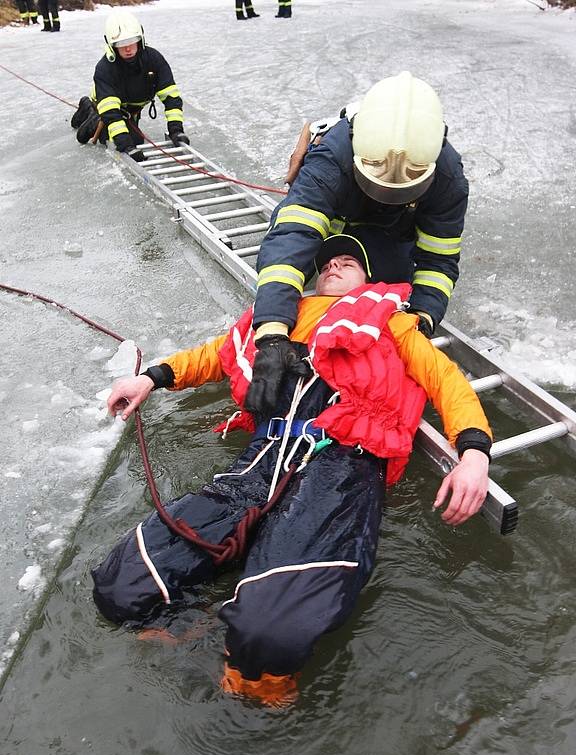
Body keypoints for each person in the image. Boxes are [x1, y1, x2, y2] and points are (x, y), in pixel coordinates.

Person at [92, 233, 491, 705]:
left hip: (342, 467)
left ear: (370, 277)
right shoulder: (278, 321)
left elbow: (446, 381)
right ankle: (201, 623)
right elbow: (213, 355)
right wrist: (149, 377)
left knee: (269, 640)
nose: (334, 267)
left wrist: (474, 453)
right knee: (120, 588)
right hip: (261, 459)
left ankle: (255, 672)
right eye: (328, 263)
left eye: (349, 262)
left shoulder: (392, 322)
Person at [244, 71, 469, 423]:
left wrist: (422, 318)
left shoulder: (447, 177)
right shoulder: (331, 157)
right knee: (304, 280)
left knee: (391, 286)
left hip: (394, 233)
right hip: (336, 229)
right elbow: (293, 235)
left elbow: (438, 259)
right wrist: (272, 331)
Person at [71, 9, 189, 162]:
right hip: (107, 106)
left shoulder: (154, 59)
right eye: (121, 44)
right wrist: (124, 144)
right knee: (84, 137)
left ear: (140, 38)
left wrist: (176, 130)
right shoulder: (105, 68)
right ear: (111, 44)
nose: (128, 48)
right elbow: (111, 113)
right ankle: (88, 108)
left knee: (135, 139)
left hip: (132, 107)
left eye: (131, 41)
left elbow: (171, 97)